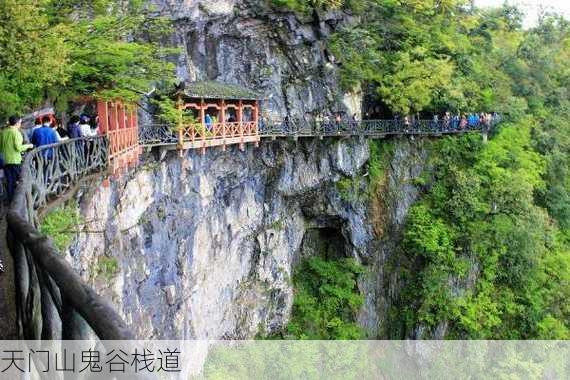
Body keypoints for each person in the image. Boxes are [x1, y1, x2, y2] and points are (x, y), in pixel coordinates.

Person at [0, 116, 34, 201]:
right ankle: (20, 200)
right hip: (15, 160)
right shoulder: (16, 132)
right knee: (20, 180)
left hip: (5, 160)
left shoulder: (3, 132)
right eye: (20, 123)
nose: (20, 124)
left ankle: (10, 199)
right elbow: (18, 148)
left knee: (9, 181)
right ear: (17, 123)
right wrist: (29, 145)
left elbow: (0, 147)